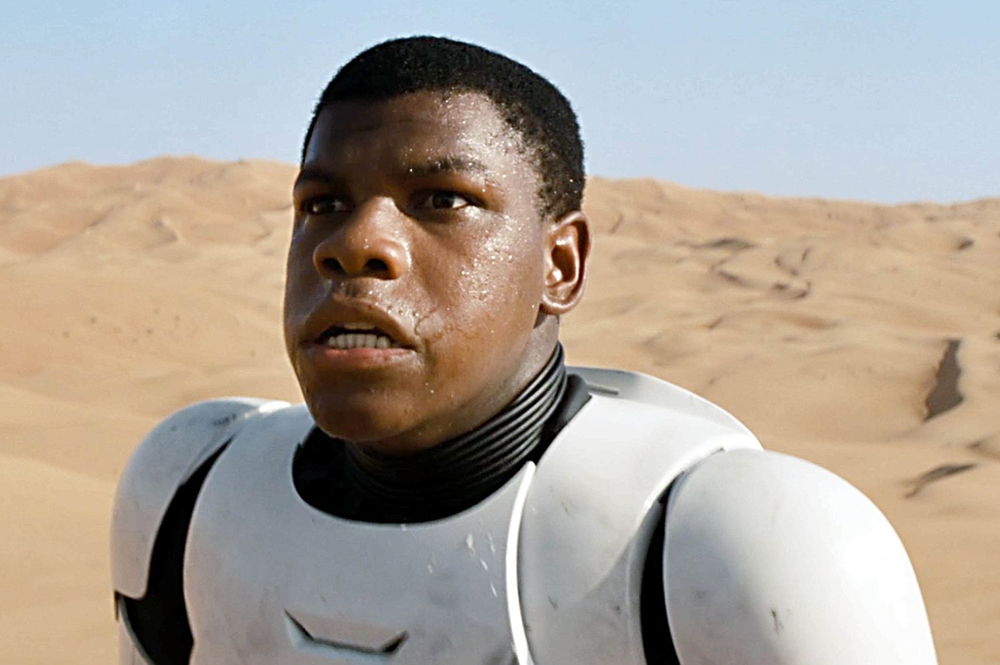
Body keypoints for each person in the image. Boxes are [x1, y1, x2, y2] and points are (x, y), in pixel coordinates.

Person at [110, 36, 938, 664]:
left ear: (560, 264)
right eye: (323, 204)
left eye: (441, 200)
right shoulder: (191, 491)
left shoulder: (746, 546)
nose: (355, 244)